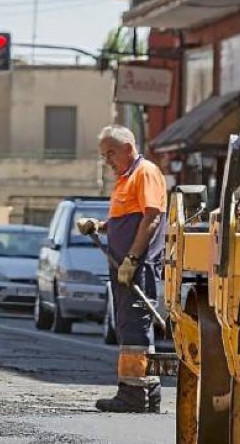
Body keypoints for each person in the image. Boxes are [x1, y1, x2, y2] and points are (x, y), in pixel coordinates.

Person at [77, 124, 167, 413]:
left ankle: (132, 393)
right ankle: (148, 391)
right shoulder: (126, 178)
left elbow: (151, 218)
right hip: (126, 265)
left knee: (134, 329)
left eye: (111, 154)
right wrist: (99, 226)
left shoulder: (145, 173)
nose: (108, 162)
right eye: (104, 156)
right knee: (134, 328)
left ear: (128, 149)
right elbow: (125, 223)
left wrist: (131, 258)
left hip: (136, 265)